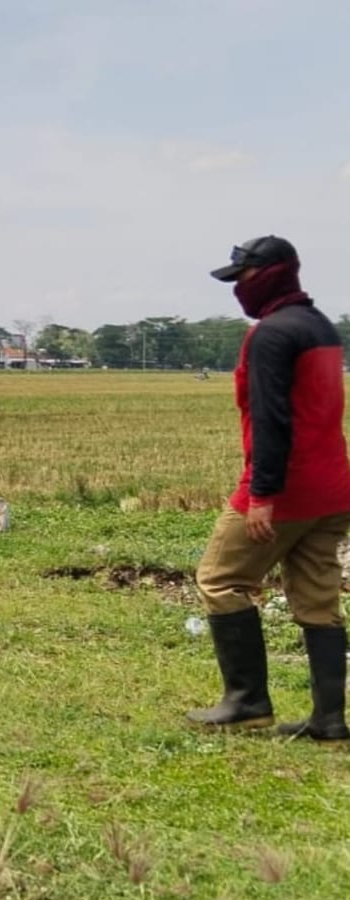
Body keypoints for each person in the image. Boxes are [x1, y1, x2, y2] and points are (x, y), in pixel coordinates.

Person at [188, 235, 350, 741]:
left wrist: (261, 495)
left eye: (243, 278)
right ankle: (329, 719)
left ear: (271, 274)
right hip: (335, 487)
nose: (239, 288)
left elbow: (272, 419)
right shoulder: (319, 326)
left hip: (287, 490)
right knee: (318, 599)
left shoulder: (271, 335)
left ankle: (247, 702)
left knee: (220, 578)